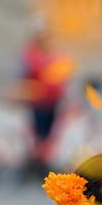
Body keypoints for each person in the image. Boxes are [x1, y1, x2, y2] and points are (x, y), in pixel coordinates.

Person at [20, 26, 72, 172]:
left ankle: (41, 161)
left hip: (53, 99)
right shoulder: (32, 55)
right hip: (39, 100)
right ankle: (36, 163)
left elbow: (62, 72)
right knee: (40, 134)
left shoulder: (53, 54)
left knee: (49, 135)